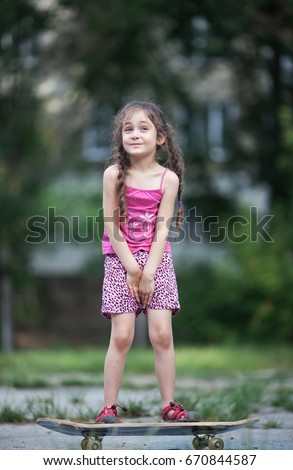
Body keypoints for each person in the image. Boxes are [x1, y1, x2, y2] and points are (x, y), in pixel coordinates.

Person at [96, 100, 199, 424]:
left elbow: (162, 229)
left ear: (160, 138)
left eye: (144, 128)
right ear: (120, 137)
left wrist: (149, 272)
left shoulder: (168, 179)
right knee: (123, 335)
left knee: (162, 335)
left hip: (157, 262)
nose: (135, 134)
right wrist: (131, 269)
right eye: (128, 129)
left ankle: (169, 405)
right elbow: (112, 227)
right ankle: (108, 408)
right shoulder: (113, 175)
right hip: (119, 259)